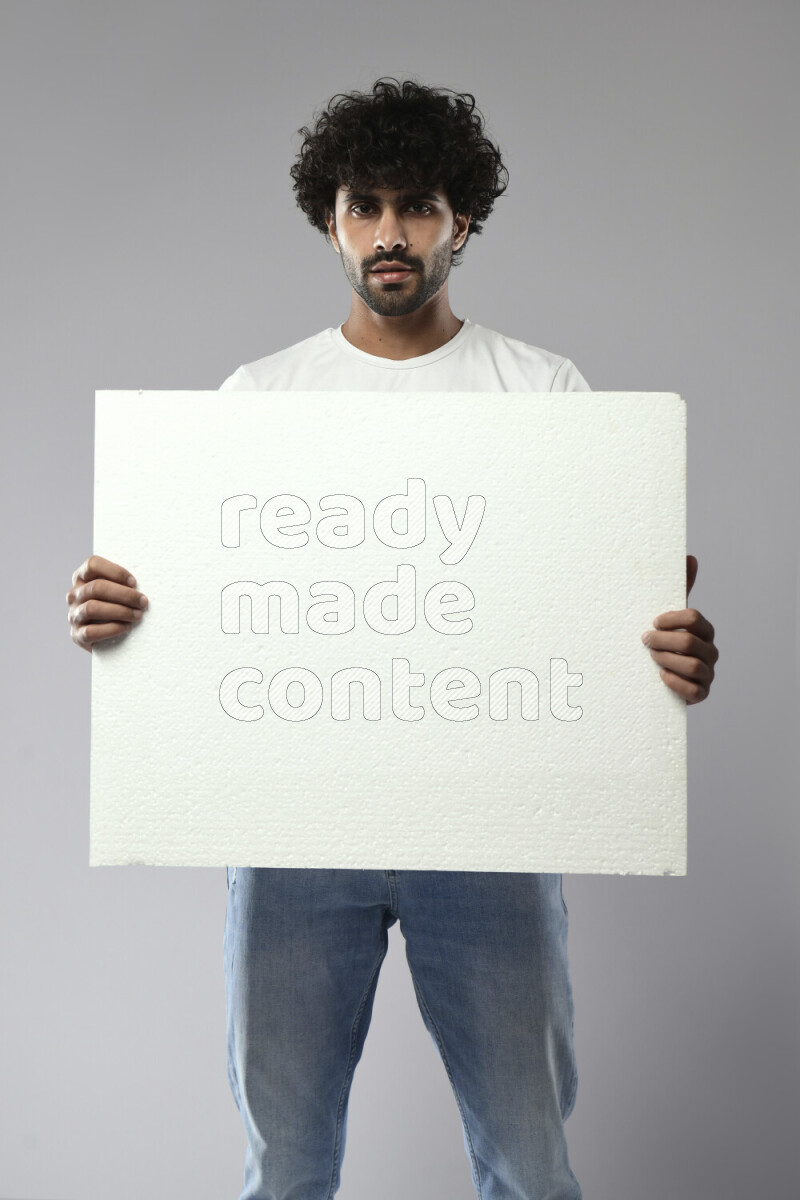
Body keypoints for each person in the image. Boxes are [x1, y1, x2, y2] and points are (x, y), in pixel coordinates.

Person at [65, 78, 719, 1200]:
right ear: (329, 220)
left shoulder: (544, 393)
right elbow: (206, 611)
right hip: (290, 827)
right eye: (363, 206)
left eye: (415, 205)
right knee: (284, 1164)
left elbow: (594, 623)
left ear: (462, 220)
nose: (387, 233)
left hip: (491, 823)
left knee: (527, 1153)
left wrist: (661, 661)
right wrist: (120, 617)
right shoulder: (256, 399)